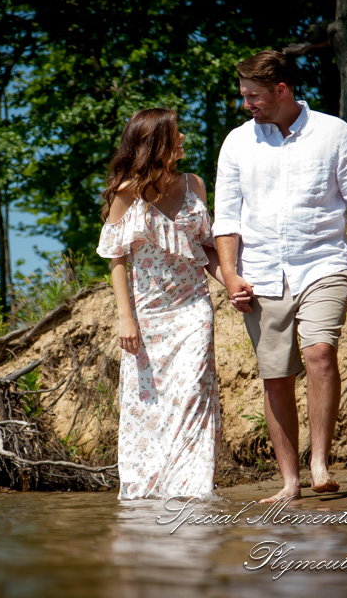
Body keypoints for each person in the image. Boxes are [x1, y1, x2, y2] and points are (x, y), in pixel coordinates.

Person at [213, 51, 347, 503]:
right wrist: (230, 275)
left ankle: (320, 464)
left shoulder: (334, 133)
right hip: (261, 275)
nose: (245, 103)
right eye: (243, 94)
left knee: (321, 353)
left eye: (252, 95)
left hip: (323, 263)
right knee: (276, 376)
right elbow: (227, 218)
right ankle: (289, 482)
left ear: (281, 90)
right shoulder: (236, 143)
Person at [97, 108, 224, 500]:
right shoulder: (125, 194)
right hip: (148, 318)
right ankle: (147, 494)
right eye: (176, 133)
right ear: (156, 143)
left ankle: (192, 492)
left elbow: (207, 248)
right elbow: (117, 259)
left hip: (193, 310)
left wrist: (234, 284)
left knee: (193, 396)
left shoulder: (194, 185)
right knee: (147, 407)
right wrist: (125, 317)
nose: (184, 138)